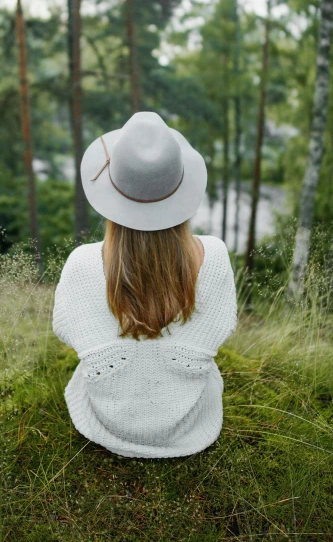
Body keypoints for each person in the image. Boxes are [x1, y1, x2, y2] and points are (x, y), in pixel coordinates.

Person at [52, 111, 238, 458]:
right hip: (189, 425)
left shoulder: (80, 264)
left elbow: (65, 329)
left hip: (105, 423)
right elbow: (222, 328)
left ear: (111, 189)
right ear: (180, 188)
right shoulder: (214, 257)